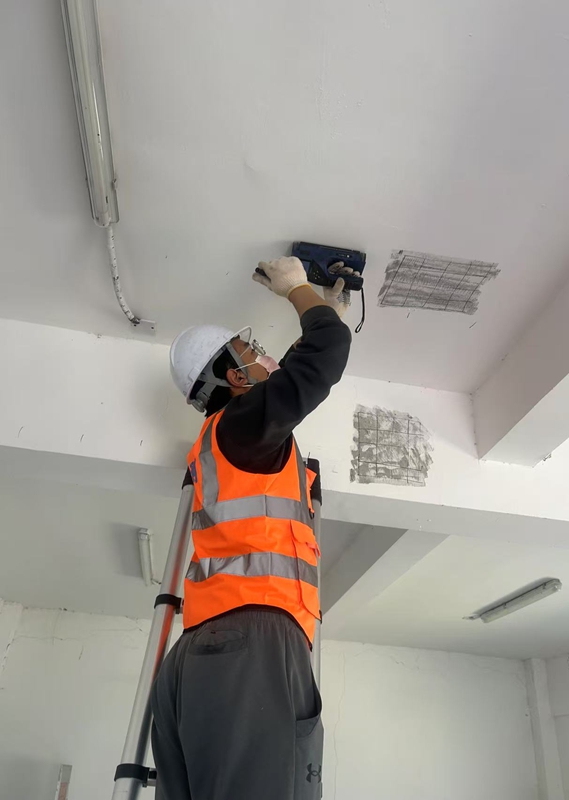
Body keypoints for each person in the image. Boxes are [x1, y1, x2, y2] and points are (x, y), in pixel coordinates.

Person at [151, 256, 353, 800]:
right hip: (248, 645)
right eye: (253, 351)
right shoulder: (241, 429)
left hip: (209, 653)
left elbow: (294, 370)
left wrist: (325, 311)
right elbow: (325, 351)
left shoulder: (228, 443)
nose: (266, 356)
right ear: (237, 379)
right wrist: (298, 291)